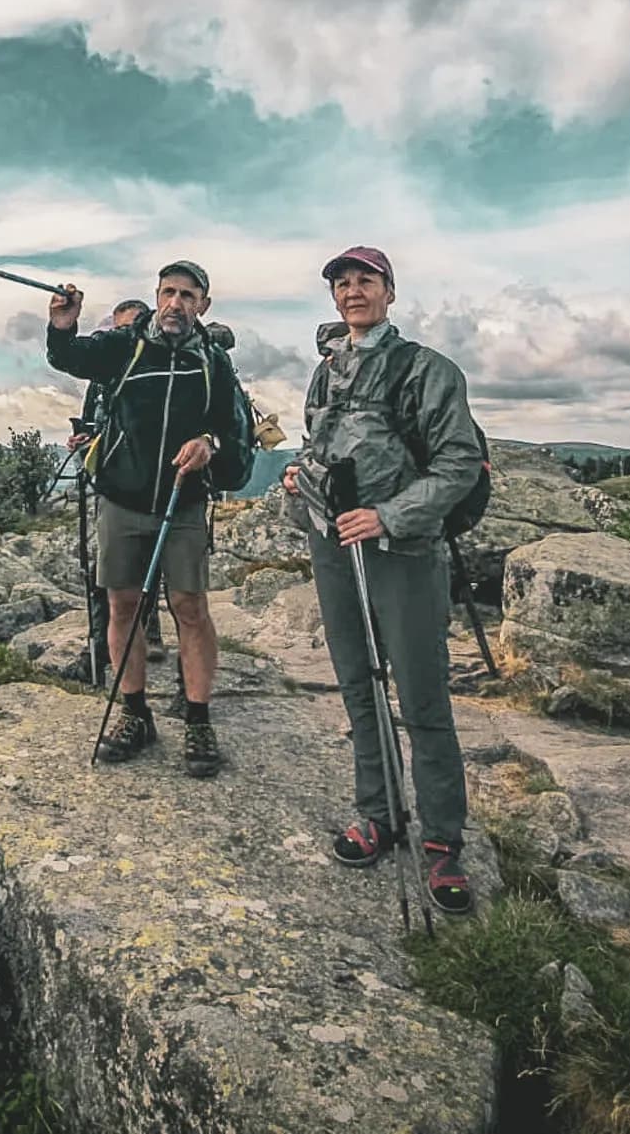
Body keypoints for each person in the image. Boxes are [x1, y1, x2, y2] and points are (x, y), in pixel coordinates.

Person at [282, 246, 479, 914]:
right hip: (333, 544)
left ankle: (442, 842)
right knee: (359, 687)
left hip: (405, 551)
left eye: (365, 279)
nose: (352, 290)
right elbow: (318, 447)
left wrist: (388, 515)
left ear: (389, 291)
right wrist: (298, 483)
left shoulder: (427, 370)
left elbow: (458, 462)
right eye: (341, 282)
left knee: (423, 700)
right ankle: (380, 812)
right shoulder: (325, 371)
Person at [48, 261, 253, 777]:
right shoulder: (126, 345)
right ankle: (136, 714)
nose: (175, 304)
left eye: (187, 295)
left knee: (189, 606)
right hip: (122, 497)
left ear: (203, 305)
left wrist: (209, 445)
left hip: (182, 503)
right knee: (123, 605)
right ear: (156, 296)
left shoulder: (213, 362)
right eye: (168, 292)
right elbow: (71, 357)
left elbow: (236, 435)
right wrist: (63, 323)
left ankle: (199, 719)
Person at [64, 299, 150, 681]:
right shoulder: (102, 376)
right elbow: (92, 421)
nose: (122, 336)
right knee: (107, 574)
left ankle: (144, 638)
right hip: (110, 484)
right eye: (117, 329)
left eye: (129, 327)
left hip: (153, 488)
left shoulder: (156, 369)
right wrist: (83, 437)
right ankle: (101, 647)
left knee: (148, 571)